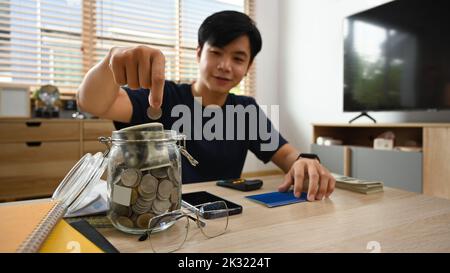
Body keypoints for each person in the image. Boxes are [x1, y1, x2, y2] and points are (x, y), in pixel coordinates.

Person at [77, 10, 335, 201]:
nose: (225, 65)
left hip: (222, 216)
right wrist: (110, 63)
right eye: (216, 52)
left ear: (247, 68)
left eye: (238, 58)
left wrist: (305, 161)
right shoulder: (162, 95)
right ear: (199, 53)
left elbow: (286, 154)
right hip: (159, 213)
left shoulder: (246, 111)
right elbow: (94, 102)